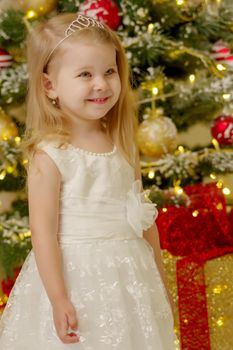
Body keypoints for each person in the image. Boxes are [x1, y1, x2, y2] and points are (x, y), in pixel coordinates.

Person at [0, 13, 175, 349]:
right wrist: (58, 298)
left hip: (130, 279)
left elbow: (143, 219)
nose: (101, 84)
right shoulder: (50, 154)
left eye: (109, 71)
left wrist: (159, 282)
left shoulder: (123, 143)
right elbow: (43, 234)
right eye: (85, 74)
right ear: (50, 85)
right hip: (76, 279)